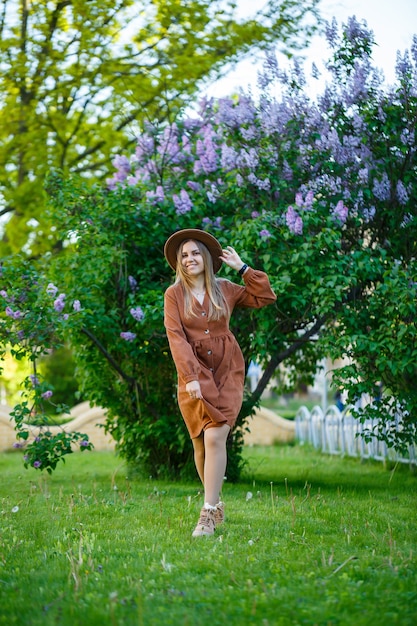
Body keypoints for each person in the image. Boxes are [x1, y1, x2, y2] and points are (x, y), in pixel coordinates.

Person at [163, 229, 276, 537]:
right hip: (194, 373)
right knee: (201, 442)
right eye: (184, 255)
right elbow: (176, 338)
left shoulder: (225, 288)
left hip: (227, 370)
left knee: (216, 437)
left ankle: (208, 514)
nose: (189, 259)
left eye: (195, 253)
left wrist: (243, 269)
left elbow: (264, 296)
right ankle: (213, 504)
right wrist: (190, 377)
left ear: (208, 257)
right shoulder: (174, 295)